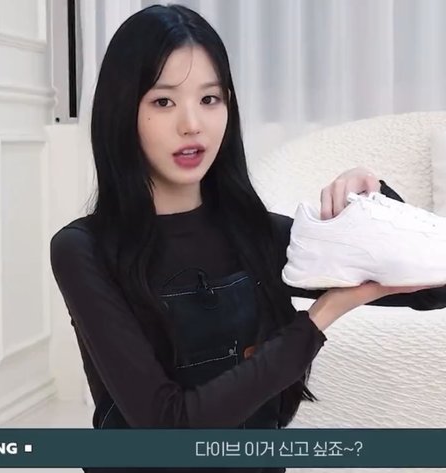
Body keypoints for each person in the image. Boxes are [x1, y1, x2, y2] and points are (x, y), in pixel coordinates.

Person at [49, 4, 446, 473]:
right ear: (122, 112)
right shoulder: (84, 250)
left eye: (209, 98)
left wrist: (375, 205)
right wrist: (319, 318)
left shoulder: (262, 236)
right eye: (163, 102)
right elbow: (166, 427)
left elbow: (433, 289)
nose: (192, 124)